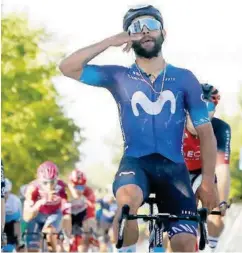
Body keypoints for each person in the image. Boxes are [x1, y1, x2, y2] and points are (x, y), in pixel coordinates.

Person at [59, 4, 218, 252]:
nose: (145, 32)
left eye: (151, 26)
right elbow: (67, 67)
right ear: (128, 37)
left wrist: (208, 180)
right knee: (126, 202)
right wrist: (109, 41)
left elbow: (206, 134)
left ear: (164, 32)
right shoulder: (119, 76)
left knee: (186, 243)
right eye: (136, 28)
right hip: (135, 164)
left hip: (174, 169)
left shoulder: (185, 78)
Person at [184, 83, 231, 250]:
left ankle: (212, 246)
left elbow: (222, 168)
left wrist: (223, 202)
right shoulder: (175, 123)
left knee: (216, 211)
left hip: (204, 171)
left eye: (207, 108)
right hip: (177, 171)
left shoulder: (220, 129)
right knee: (180, 224)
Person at [23, 161, 71, 252]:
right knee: (32, 249)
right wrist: (38, 203)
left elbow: (67, 214)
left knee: (50, 233)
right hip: (37, 215)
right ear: (39, 180)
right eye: (45, 183)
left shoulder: (62, 187)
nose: (49, 186)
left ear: (57, 179)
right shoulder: (32, 188)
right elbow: (26, 217)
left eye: (53, 182)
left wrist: (68, 236)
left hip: (54, 214)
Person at [68, 169, 97, 252]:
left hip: (82, 218)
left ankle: (89, 241)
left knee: (90, 223)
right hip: (68, 218)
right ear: (70, 184)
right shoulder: (65, 191)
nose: (79, 190)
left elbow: (91, 210)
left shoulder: (88, 191)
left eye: (81, 187)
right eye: (75, 186)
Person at [3, 178, 23, 252]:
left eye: (6, 193)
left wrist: (19, 237)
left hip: (13, 224)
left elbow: (20, 217)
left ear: (9, 191)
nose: (4, 195)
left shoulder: (15, 200)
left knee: (19, 241)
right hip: (2, 223)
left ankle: (18, 244)